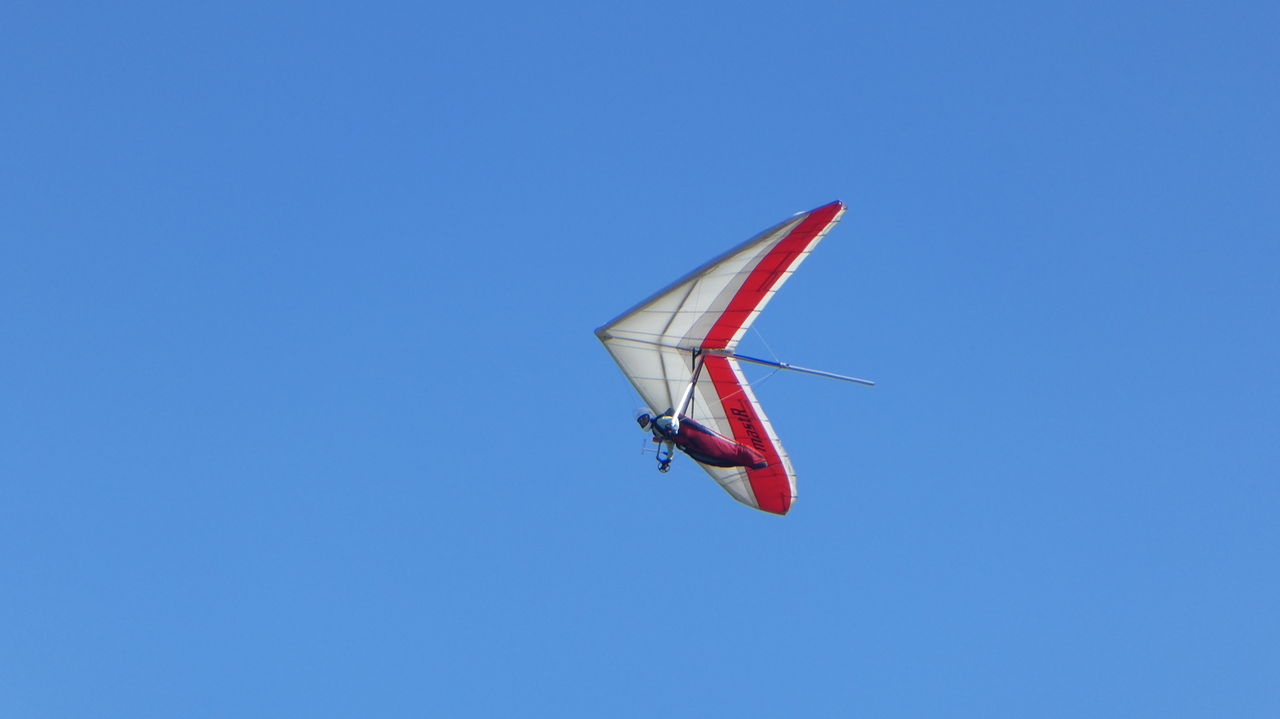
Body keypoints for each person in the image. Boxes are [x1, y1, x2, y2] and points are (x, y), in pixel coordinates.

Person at [637, 410, 768, 470]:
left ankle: (756, 459)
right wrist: (668, 459)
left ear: (649, 416)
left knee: (720, 449)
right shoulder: (656, 431)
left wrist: (674, 428)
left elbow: (674, 420)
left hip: (693, 435)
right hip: (688, 444)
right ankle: (749, 462)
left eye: (643, 419)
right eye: (640, 422)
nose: (643, 422)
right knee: (712, 458)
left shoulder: (659, 421)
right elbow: (670, 444)